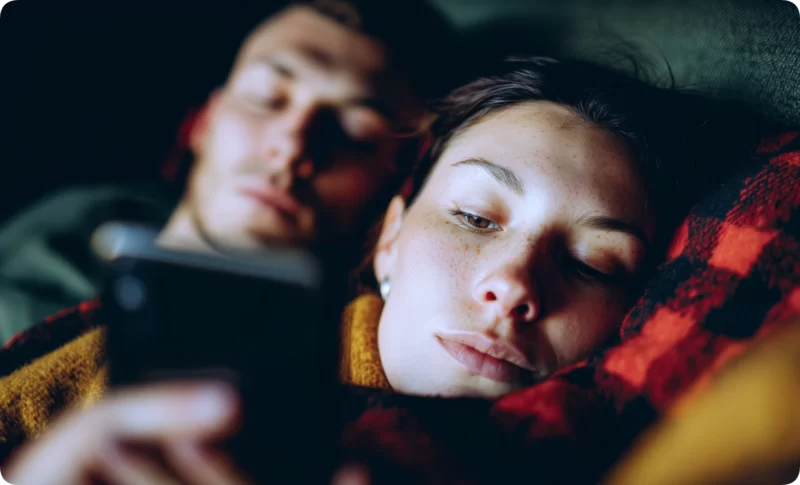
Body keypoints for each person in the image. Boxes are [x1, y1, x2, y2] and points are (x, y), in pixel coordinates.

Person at [0, 56, 717, 484]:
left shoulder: (625, 447)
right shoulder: (155, 363)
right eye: (474, 216)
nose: (516, 285)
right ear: (388, 241)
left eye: (593, 262)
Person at [0, 0, 455, 343]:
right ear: (202, 120)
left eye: (356, 131)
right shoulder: (48, 251)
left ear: (398, 181)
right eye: (264, 98)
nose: (292, 146)